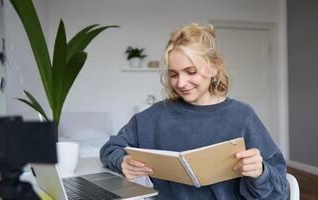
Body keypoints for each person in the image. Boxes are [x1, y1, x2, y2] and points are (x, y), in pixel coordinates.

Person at [100, 23, 288, 199]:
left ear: (214, 68)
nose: (180, 83)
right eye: (173, 74)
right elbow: (110, 148)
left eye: (190, 72)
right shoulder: (152, 117)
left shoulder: (242, 116)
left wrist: (260, 172)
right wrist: (122, 161)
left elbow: (281, 190)